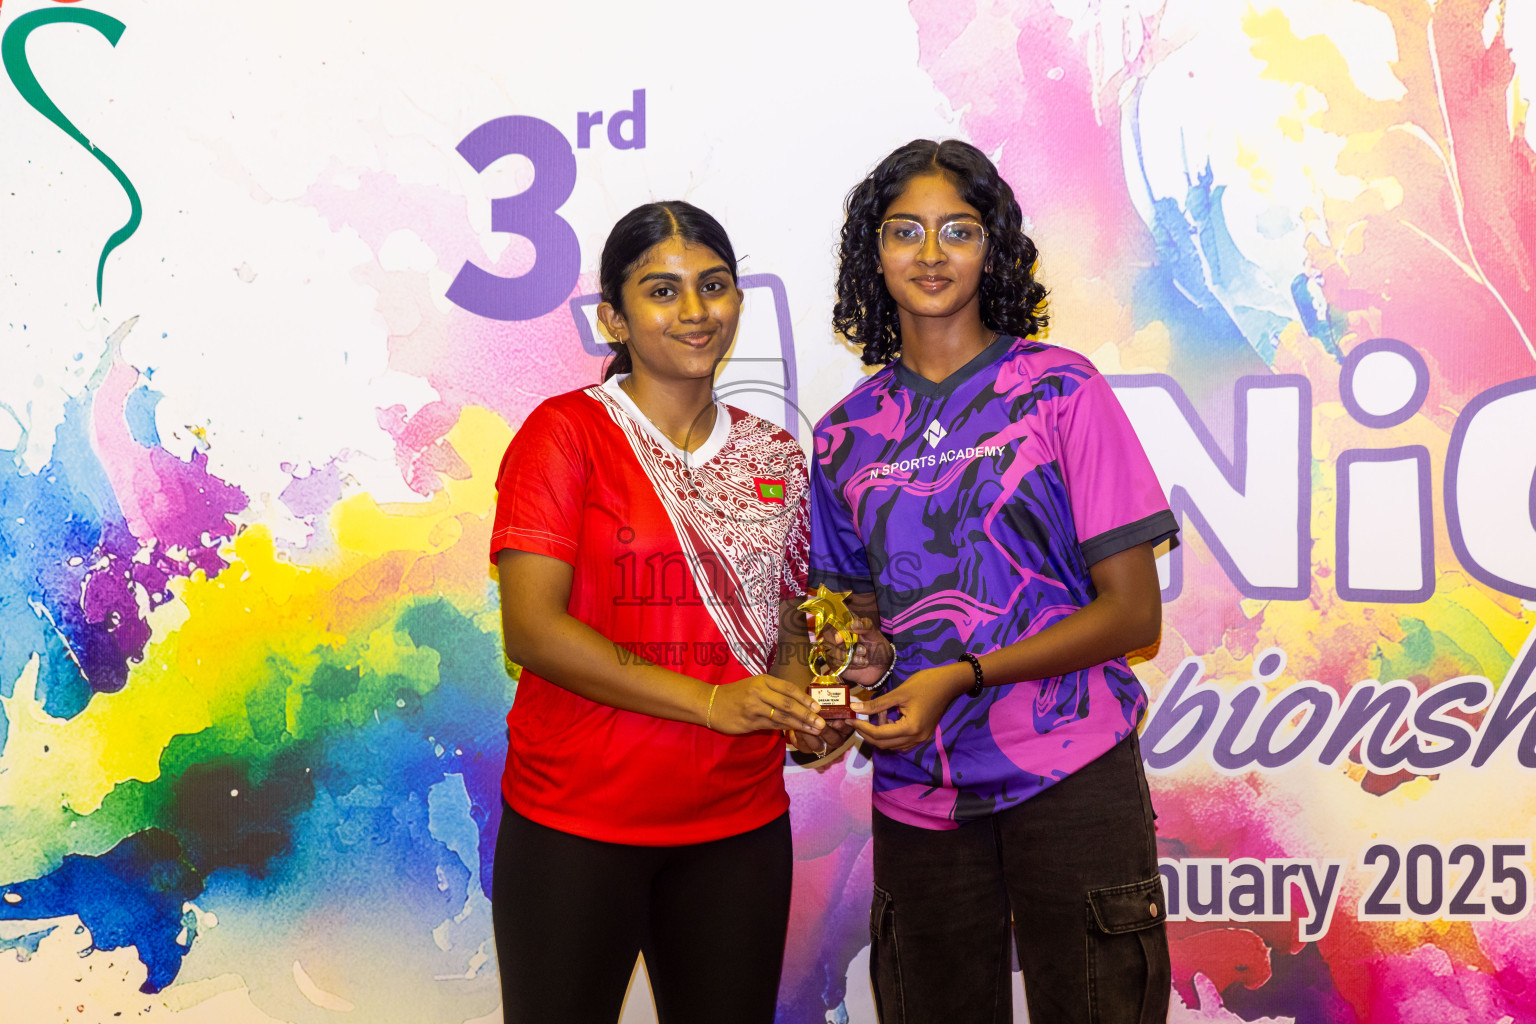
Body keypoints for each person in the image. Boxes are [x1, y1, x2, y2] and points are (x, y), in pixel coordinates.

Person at [809, 139, 1178, 1023]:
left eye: (959, 230)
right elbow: (849, 626)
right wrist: (832, 697)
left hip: (1073, 770)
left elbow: (1134, 616)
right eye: (905, 231)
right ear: (873, 255)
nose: (931, 253)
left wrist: (962, 676)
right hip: (920, 791)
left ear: (993, 248)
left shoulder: (1060, 391)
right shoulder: (843, 436)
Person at [489, 200, 827, 1024]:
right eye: (662, 291)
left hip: (739, 828)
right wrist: (712, 701)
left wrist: (798, 704)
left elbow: (790, 616)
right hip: (576, 824)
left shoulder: (775, 454)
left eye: (713, 285)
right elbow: (532, 630)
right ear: (614, 317)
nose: (695, 310)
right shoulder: (565, 434)